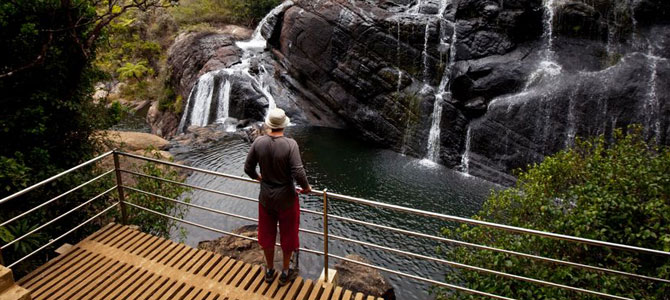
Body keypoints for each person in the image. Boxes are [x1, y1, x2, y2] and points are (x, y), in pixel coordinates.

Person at [244, 108, 311, 286]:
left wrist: (259, 178)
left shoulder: (258, 142)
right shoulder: (291, 144)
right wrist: (306, 187)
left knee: (267, 234)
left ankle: (270, 269)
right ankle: (286, 271)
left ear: (269, 124)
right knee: (288, 235)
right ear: (283, 125)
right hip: (287, 198)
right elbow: (298, 171)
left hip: (266, 197)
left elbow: (248, 168)